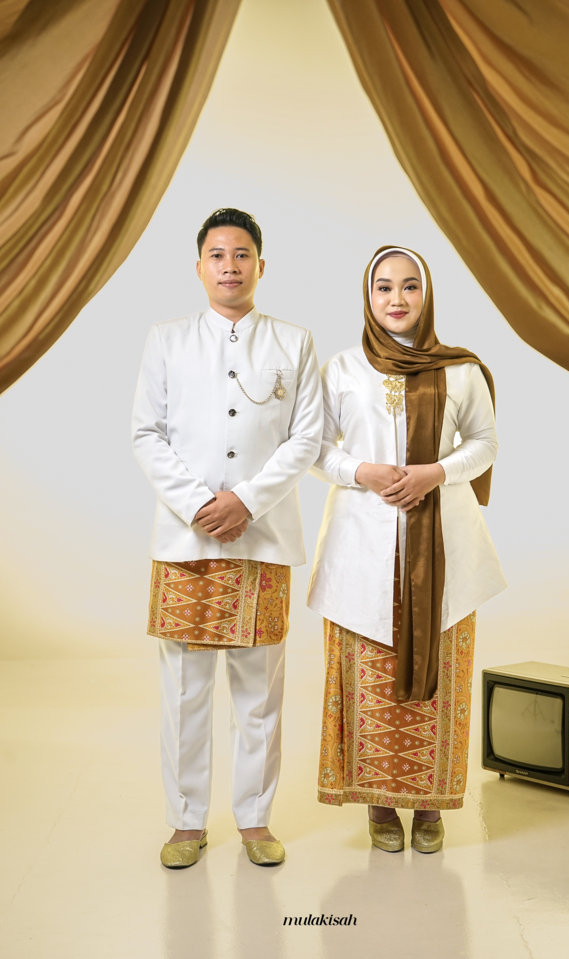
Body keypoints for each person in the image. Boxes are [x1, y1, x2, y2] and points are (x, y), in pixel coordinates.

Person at [132, 208, 323, 868]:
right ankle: (186, 821)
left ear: (260, 266)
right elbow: (146, 434)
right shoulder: (167, 340)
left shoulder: (294, 342)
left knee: (259, 692)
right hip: (185, 543)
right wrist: (198, 504)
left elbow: (307, 437)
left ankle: (255, 820)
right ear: (199, 267)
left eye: (242, 254)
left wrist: (247, 500)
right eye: (218, 255)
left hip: (262, 540)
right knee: (185, 690)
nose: (230, 266)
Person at [307, 246, 506, 853]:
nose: (397, 299)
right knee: (368, 676)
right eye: (384, 287)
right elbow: (314, 448)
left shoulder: (461, 370)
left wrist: (435, 473)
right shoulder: (342, 369)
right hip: (360, 547)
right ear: (368, 297)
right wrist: (361, 471)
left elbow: (485, 441)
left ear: (427, 294)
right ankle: (378, 804)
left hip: (444, 546)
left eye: (410, 286)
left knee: (441, 671)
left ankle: (429, 806)